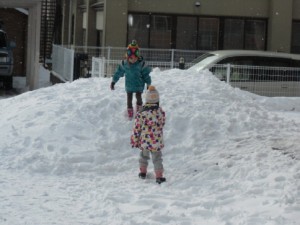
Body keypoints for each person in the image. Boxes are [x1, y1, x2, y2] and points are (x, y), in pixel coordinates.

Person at [130, 86, 166, 184]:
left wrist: (134, 139)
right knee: (157, 158)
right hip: (156, 141)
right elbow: (162, 123)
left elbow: (137, 128)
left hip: (145, 141)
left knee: (143, 156)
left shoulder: (141, 114)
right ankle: (159, 176)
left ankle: (142, 172)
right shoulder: (160, 112)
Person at [110, 40, 152, 119]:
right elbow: (118, 72)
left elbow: (146, 75)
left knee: (139, 98)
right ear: (128, 57)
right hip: (129, 86)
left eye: (135, 58)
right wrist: (113, 81)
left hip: (139, 86)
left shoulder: (141, 64)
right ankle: (130, 112)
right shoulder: (125, 64)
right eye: (131, 58)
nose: (133, 60)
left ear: (138, 57)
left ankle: (139, 111)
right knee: (129, 100)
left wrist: (148, 83)